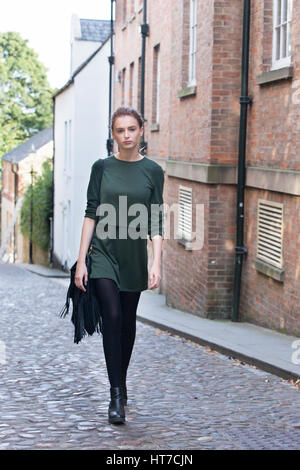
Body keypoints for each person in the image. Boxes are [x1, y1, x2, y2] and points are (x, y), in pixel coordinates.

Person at [75, 106, 165, 425]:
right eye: (119, 130)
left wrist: (156, 262)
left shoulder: (153, 171)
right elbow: (90, 213)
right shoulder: (101, 168)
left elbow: (155, 220)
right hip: (102, 252)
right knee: (111, 316)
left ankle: (121, 384)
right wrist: (80, 261)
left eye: (131, 129)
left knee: (127, 323)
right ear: (112, 134)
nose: (125, 135)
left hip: (133, 257)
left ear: (141, 131)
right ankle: (115, 396)